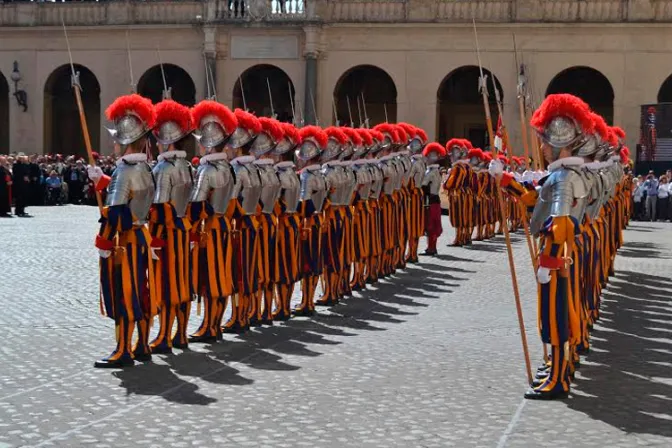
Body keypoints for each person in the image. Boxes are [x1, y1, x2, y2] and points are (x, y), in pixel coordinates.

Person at [87, 93, 158, 368]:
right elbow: (135, 200)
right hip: (140, 235)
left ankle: (122, 350)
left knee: (123, 293)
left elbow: (117, 213)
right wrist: (103, 181)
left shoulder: (125, 170)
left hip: (124, 241)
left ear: (126, 141)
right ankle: (141, 345)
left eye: (117, 139)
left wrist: (103, 242)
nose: (114, 143)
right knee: (140, 290)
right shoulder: (144, 167)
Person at [187, 100, 238, 343]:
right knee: (222, 278)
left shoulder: (207, 170)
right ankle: (214, 324)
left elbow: (196, 206)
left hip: (210, 230)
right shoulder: (229, 168)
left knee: (210, 279)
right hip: (225, 226)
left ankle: (209, 325)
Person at [147, 99, 195, 353]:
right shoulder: (187, 166)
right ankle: (181, 334)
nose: (156, 144)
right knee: (183, 282)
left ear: (167, 141)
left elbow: (159, 205)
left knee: (166, 283)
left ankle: (165, 336)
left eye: (158, 139)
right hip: (183, 230)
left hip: (165, 232)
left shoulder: (163, 167)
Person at [421, 142, 447, 255]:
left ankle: (431, 247)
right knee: (433, 224)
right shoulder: (435, 170)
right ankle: (431, 247)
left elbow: (423, 184)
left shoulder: (431, 171)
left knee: (431, 224)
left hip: (430, 199)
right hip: (434, 198)